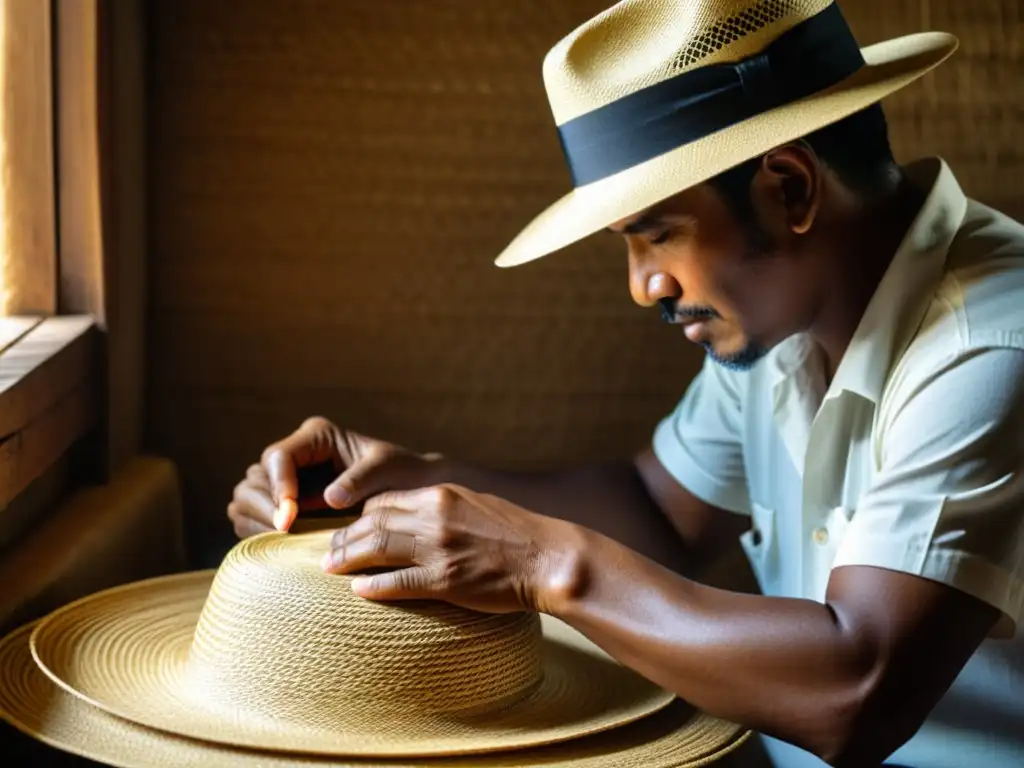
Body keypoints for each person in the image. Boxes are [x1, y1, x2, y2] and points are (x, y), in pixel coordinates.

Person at [226, 2, 1024, 766]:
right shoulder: (781, 318)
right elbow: (660, 511)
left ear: (791, 189)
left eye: (657, 235)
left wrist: (542, 562)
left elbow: (859, 690)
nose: (644, 286)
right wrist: (411, 487)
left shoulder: (992, 342)